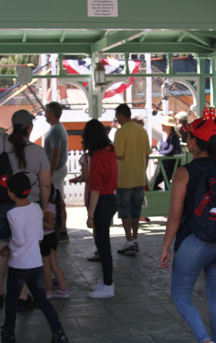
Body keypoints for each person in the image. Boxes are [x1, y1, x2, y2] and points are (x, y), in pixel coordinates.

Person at [159, 109, 216, 343]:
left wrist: (166, 246)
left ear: (195, 143)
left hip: (194, 243)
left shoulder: (185, 172)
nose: (187, 141)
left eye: (189, 138)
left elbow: (175, 216)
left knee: (181, 296)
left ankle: (205, 340)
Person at [0, 109, 51, 312]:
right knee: (23, 249)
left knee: (1, 248)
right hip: (25, 205)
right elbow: (46, 184)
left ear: (13, 126)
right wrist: (44, 206)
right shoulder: (38, 152)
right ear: (30, 127)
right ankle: (22, 297)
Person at [0, 173, 69, 343]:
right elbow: (39, 237)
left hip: (19, 265)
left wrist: (8, 249)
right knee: (43, 301)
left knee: (11, 301)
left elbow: (19, 240)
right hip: (36, 264)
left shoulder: (13, 214)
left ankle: (8, 332)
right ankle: (59, 332)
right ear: (29, 190)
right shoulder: (37, 209)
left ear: (10, 192)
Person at [82, 119, 119, 298]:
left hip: (101, 201)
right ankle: (106, 280)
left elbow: (95, 187)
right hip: (111, 198)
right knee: (102, 242)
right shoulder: (110, 150)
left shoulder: (97, 156)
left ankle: (108, 284)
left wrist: (90, 215)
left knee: (102, 244)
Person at [113, 104, 151, 256]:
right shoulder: (142, 131)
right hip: (139, 177)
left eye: (117, 116)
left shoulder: (121, 132)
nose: (116, 119)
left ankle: (129, 241)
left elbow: (119, 154)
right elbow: (147, 154)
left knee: (125, 212)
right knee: (136, 211)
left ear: (122, 115)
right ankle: (135, 240)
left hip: (124, 178)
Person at [44, 102, 69, 242]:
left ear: (52, 113)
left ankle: (61, 229)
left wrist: (50, 172)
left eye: (47, 112)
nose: (45, 115)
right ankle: (60, 228)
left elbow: (55, 153)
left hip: (56, 170)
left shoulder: (55, 130)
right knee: (58, 199)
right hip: (58, 169)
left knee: (57, 200)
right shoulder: (57, 128)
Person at [41, 185, 69, 299]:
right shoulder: (54, 205)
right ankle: (63, 289)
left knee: (46, 267)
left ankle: (47, 292)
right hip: (52, 238)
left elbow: (50, 226)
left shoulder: (47, 209)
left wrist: (38, 219)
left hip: (46, 238)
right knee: (53, 265)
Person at [154, 116, 182, 190]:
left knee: (164, 185)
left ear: (170, 127)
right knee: (153, 184)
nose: (162, 127)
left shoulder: (174, 136)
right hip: (163, 165)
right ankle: (163, 198)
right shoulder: (163, 136)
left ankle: (166, 198)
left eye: (164, 125)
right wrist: (159, 153)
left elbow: (171, 150)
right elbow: (159, 149)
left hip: (171, 166)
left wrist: (160, 154)